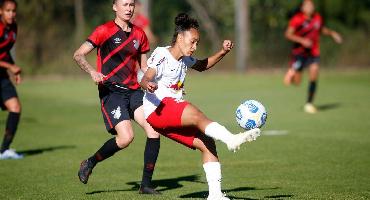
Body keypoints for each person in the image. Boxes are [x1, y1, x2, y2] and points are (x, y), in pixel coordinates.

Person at [140, 13, 261, 200]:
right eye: (192, 41)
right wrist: (148, 84)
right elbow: (146, 76)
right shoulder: (162, 54)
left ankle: (215, 195)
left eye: (197, 43)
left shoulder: (185, 60)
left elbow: (203, 65)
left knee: (207, 143)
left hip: (168, 113)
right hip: (157, 110)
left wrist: (223, 51)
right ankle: (230, 139)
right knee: (195, 114)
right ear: (180, 38)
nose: (195, 46)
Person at [73, 0, 161, 194]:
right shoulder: (103, 30)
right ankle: (90, 162)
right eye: (124, 4)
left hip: (134, 91)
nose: (129, 8)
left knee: (154, 129)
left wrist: (150, 82)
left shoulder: (140, 34)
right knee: (126, 138)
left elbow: (144, 68)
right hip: (112, 91)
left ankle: (145, 185)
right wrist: (92, 72)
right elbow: (78, 55)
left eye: (131, 4)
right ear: (115, 7)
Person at [283, 0, 342, 114]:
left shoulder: (317, 17)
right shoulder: (297, 19)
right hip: (299, 53)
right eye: (308, 5)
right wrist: (302, 40)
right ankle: (292, 72)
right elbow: (288, 34)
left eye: (312, 4)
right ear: (302, 7)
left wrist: (333, 34)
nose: (311, 7)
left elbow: (321, 29)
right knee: (297, 82)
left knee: (314, 71)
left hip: (313, 52)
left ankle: (309, 104)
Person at [0, 0, 23, 160]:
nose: (11, 14)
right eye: (7, 10)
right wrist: (10, 66)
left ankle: (4, 150)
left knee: (15, 107)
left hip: (1, 75)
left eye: (13, 11)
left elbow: (5, 51)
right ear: (0, 11)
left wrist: (13, 68)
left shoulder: (13, 27)